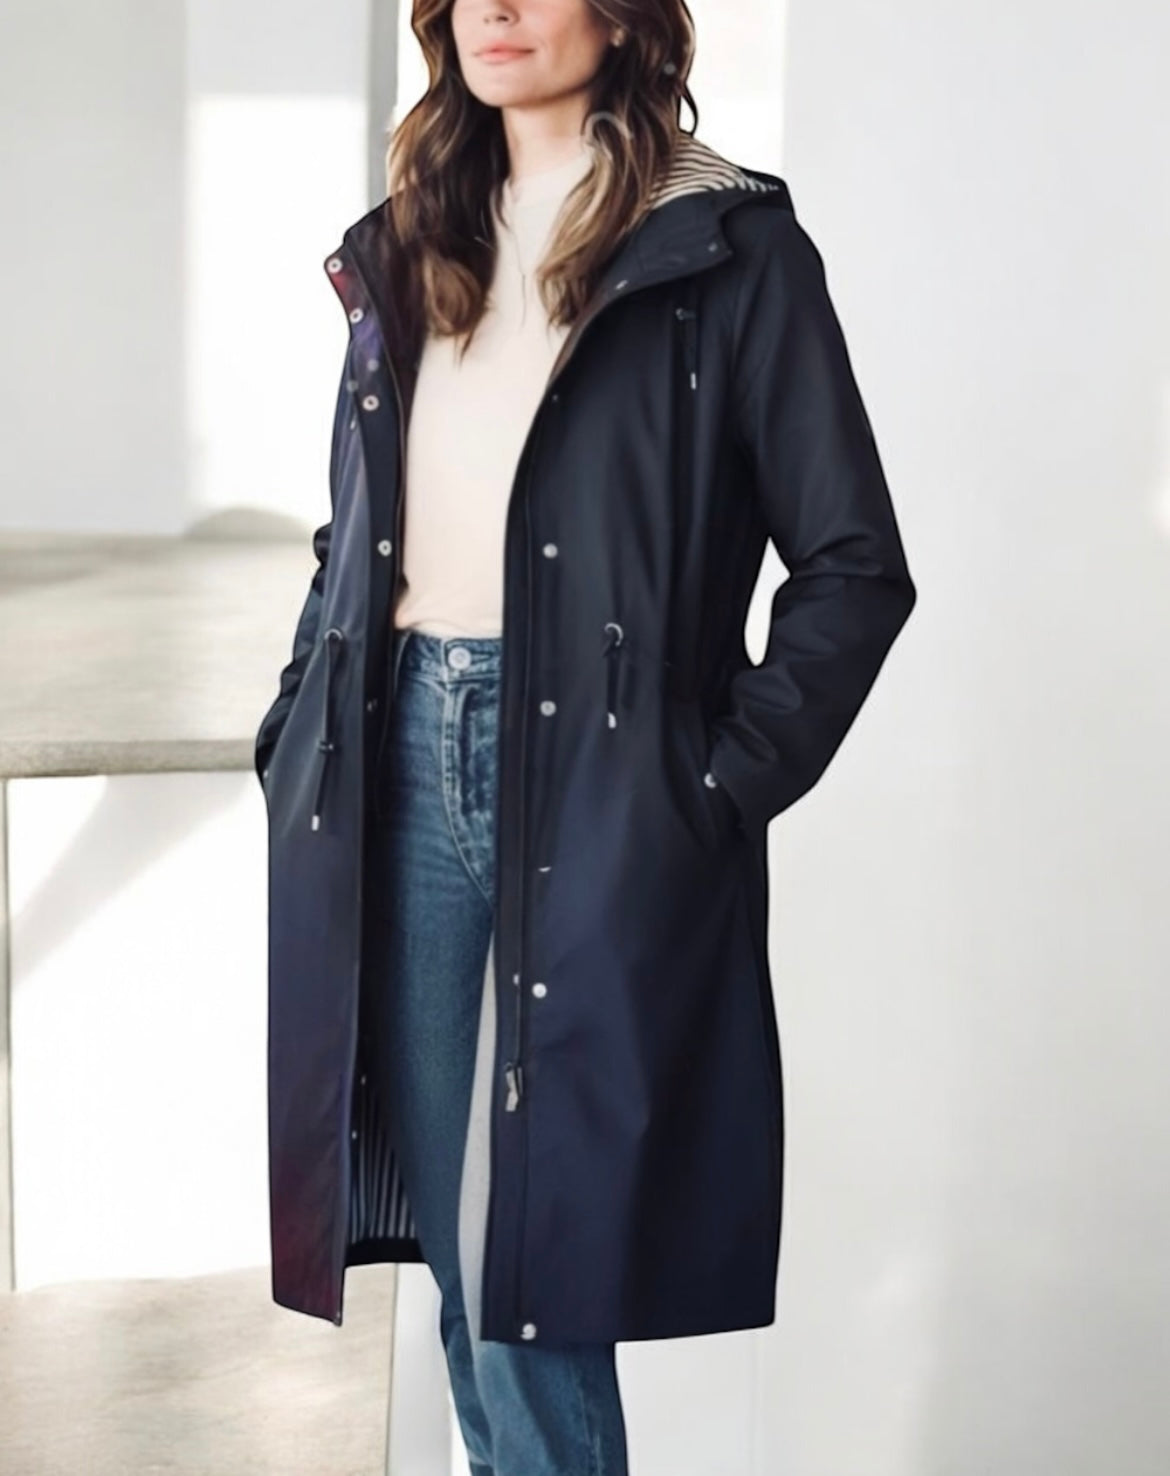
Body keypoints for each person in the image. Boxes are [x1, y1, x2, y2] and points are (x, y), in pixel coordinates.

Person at [255, 3, 917, 1473]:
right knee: (467, 1260)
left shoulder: (726, 248)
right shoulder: (411, 236)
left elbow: (853, 566)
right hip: (396, 759)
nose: (493, 10)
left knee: (531, 1271)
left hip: (597, 781)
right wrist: (298, 718)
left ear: (621, 18)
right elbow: (356, 531)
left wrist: (712, 785)